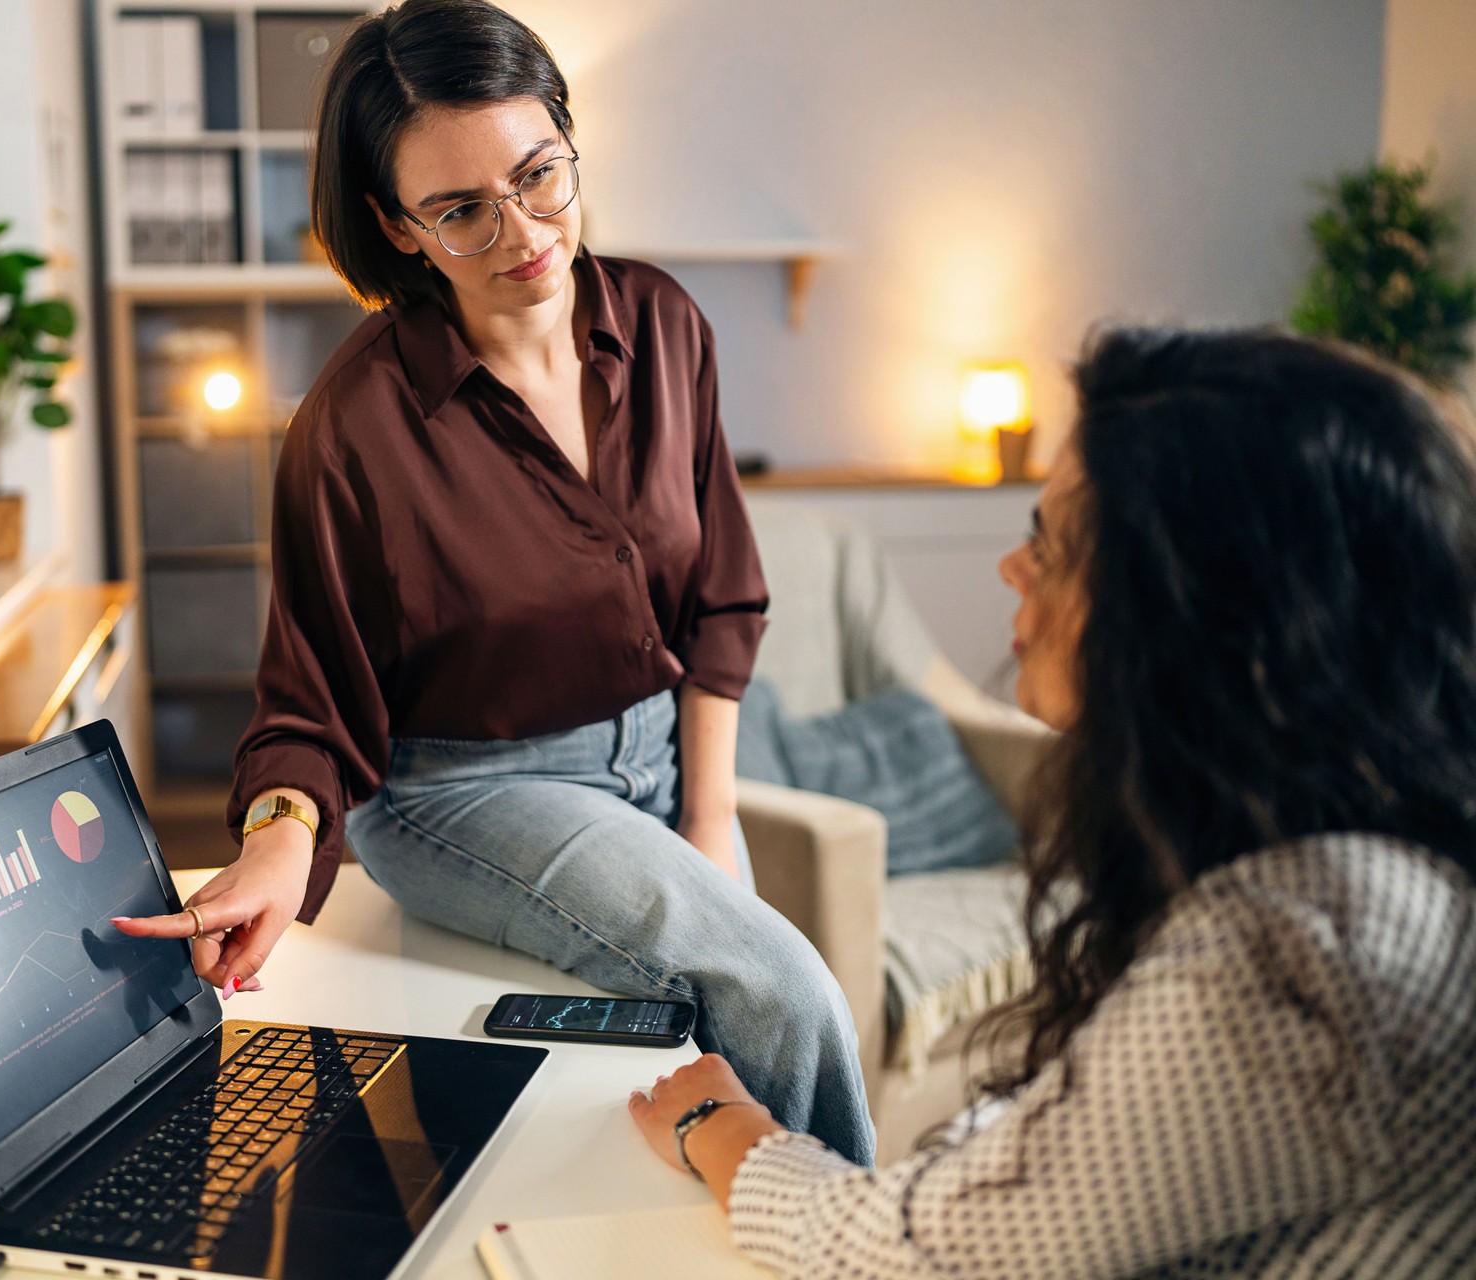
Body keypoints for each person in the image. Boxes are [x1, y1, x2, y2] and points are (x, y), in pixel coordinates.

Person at [113, 0, 874, 1162]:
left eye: (539, 176)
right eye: (462, 209)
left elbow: (722, 593)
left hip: (661, 753)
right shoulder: (356, 422)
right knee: (789, 995)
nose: (522, 232)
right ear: (398, 226)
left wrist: (708, 813)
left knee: (742, 1005)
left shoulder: (666, 324)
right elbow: (312, 694)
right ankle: (851, 1240)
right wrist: (275, 836)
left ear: (569, 135)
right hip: (466, 790)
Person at [629, 328, 1476, 1276]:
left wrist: (721, 1122)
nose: (1011, 570)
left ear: (1198, 606)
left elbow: (918, 1259)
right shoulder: (1338, 851)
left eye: (1050, 541)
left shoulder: (1307, 953)